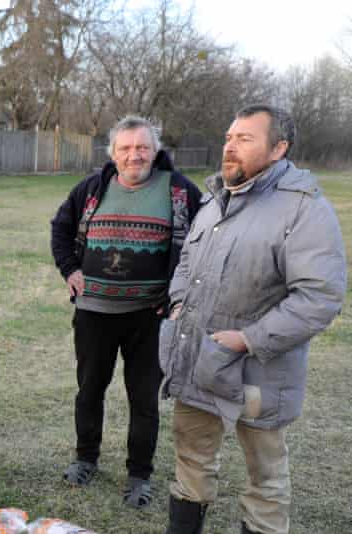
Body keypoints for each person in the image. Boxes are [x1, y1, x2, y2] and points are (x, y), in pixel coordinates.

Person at [161, 105, 346, 534]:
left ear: (279, 148)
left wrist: (246, 339)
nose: (230, 146)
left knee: (265, 481)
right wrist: (176, 305)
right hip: (199, 361)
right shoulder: (215, 200)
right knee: (191, 461)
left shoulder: (304, 209)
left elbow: (320, 296)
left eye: (245, 138)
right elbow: (188, 261)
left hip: (259, 374)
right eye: (229, 137)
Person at [50, 115, 202, 509]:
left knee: (144, 399)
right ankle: (85, 459)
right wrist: (70, 269)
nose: (134, 155)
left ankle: (139, 475)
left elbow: (201, 246)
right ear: (113, 153)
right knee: (90, 390)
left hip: (150, 317)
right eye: (126, 148)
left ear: (155, 150)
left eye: (142, 147)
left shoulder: (181, 192)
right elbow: (60, 228)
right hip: (93, 314)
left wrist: (177, 295)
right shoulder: (91, 189)